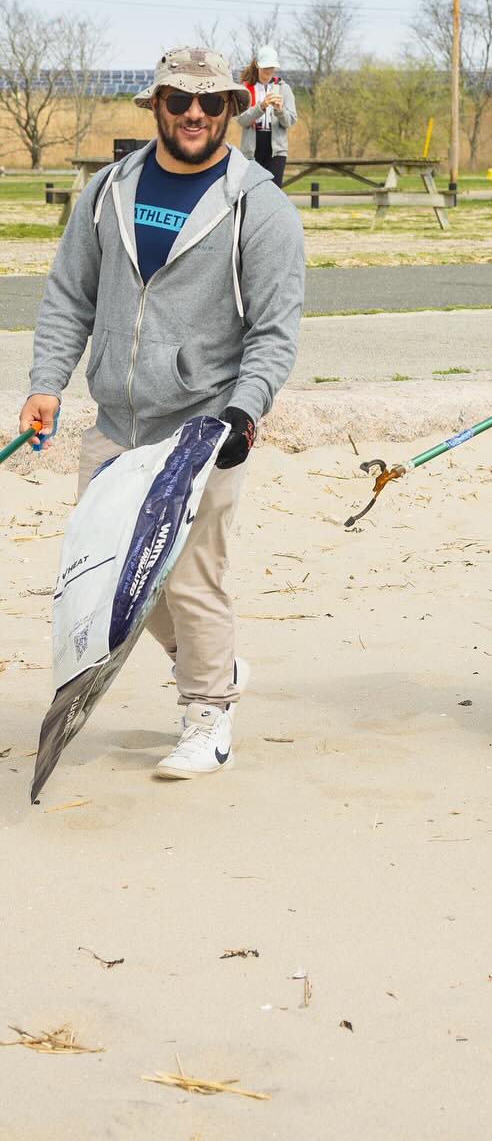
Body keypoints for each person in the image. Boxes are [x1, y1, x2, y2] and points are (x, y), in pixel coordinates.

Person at [21, 45, 305, 781]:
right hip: (116, 423)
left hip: (202, 428)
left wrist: (244, 413)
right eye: (179, 100)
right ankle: (212, 662)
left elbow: (275, 330)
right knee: (118, 578)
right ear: (156, 105)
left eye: (211, 102)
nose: (194, 114)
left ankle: (208, 715)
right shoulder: (110, 188)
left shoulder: (258, 205)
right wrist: (47, 382)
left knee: (188, 576)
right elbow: (68, 295)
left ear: (233, 110)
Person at [236, 44, 296, 188]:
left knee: (274, 191)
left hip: (276, 149)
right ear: (257, 65)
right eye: (266, 67)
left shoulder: (284, 88)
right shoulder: (245, 89)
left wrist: (280, 110)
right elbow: (241, 120)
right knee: (251, 190)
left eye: (272, 67)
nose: (269, 71)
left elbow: (290, 121)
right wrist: (260, 107)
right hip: (252, 148)